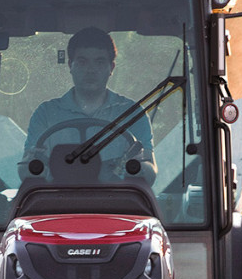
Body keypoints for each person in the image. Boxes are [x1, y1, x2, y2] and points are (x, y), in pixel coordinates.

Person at [20, 27, 156, 183]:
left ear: (111, 68)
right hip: (57, 201)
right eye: (82, 62)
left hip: (117, 202)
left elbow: (150, 173)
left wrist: (138, 164)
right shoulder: (46, 113)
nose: (91, 70)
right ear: (70, 65)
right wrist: (34, 165)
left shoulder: (132, 113)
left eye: (99, 62)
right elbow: (25, 171)